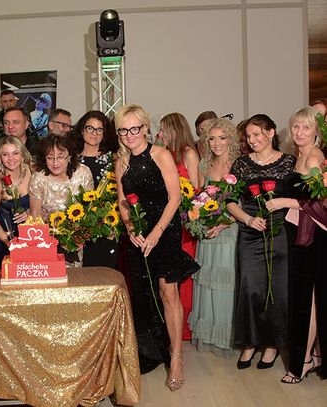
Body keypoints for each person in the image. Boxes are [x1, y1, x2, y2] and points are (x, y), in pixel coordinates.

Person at [115, 104, 199, 390]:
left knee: (168, 293)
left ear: (145, 128)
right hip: (138, 235)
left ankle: (176, 358)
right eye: (123, 130)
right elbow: (123, 202)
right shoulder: (121, 162)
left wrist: (156, 233)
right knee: (144, 294)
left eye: (134, 128)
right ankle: (152, 350)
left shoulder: (160, 154)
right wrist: (131, 229)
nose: (130, 135)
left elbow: (175, 198)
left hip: (164, 230)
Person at [227, 114, 296, 370]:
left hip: (280, 232)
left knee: (276, 288)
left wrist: (282, 205)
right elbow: (230, 201)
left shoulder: (289, 162)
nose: (252, 140)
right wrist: (247, 219)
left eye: (257, 134)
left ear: (271, 133)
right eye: (248, 136)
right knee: (249, 287)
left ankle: (272, 345)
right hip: (250, 232)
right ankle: (249, 342)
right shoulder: (241, 164)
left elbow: (302, 200)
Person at [264, 107, 326, 382]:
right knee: (306, 297)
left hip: (313, 238)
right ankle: (313, 356)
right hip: (299, 234)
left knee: (307, 299)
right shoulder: (300, 156)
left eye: (306, 127)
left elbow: (321, 202)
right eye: (296, 127)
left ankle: (303, 362)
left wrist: (285, 202)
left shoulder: (313, 158)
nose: (300, 132)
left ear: (316, 132)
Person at [188, 118, 241, 358]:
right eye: (211, 139)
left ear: (231, 139)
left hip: (230, 230)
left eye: (222, 138)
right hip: (208, 232)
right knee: (207, 282)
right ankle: (209, 335)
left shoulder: (239, 164)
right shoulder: (204, 164)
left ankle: (228, 337)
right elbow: (200, 198)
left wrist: (224, 223)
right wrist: (198, 217)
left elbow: (244, 202)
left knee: (226, 284)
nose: (217, 143)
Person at [158, 112, 200, 340]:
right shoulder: (164, 154)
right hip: (166, 221)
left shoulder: (188, 153)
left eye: (164, 129)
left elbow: (195, 188)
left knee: (182, 278)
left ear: (175, 129)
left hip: (184, 223)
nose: (160, 134)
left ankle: (185, 329)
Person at [29, 134, 94, 265]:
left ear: (69, 157)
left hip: (76, 241)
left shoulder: (83, 173)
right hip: (46, 243)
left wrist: (80, 236)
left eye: (60, 157)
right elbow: (35, 217)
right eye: (50, 157)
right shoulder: (38, 178)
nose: (55, 163)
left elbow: (90, 210)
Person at [73, 110, 119, 268]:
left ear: (105, 134)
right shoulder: (71, 159)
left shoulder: (114, 159)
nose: (94, 133)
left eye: (100, 129)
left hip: (105, 228)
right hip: (76, 227)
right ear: (82, 130)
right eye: (90, 128)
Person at [0, 136, 31, 268]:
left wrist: (30, 213)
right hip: (3, 242)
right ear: (0, 158)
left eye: (15, 153)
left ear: (22, 154)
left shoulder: (31, 172)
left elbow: (41, 203)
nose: (11, 159)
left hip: (29, 237)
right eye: (5, 154)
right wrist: (8, 243)